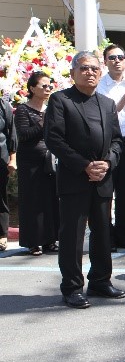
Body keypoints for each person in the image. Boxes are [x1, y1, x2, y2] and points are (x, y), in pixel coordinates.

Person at [44, 50, 125, 309]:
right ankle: (72, 286)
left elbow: (117, 141)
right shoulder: (61, 100)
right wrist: (84, 166)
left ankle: (101, 280)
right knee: (72, 235)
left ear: (100, 73)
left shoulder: (107, 103)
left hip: (102, 178)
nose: (89, 72)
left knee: (102, 232)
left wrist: (108, 162)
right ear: (73, 73)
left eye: (94, 69)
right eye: (84, 68)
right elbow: (54, 138)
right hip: (74, 178)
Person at [97, 44, 125, 251]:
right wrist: (116, 108)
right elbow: (97, 115)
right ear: (105, 62)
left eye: (120, 57)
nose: (117, 61)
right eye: (112, 57)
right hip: (106, 143)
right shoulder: (99, 85)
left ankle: (123, 235)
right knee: (106, 190)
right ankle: (106, 236)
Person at [15, 71, 59, 256]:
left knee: (50, 199)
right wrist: (44, 123)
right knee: (32, 200)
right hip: (29, 161)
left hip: (49, 159)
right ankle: (33, 242)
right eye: (44, 86)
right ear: (32, 88)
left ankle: (50, 240)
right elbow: (24, 135)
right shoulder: (23, 110)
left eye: (50, 86)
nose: (48, 89)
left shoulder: (50, 109)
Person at [0, 94, 16, 253]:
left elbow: (11, 134)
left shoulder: (4, 106)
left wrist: (13, 159)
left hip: (1, 158)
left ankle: (1, 235)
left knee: (0, 197)